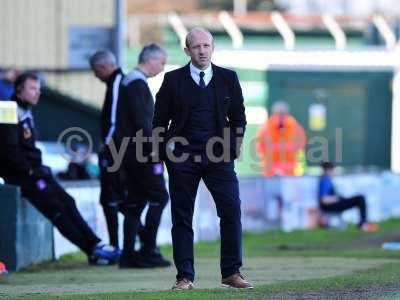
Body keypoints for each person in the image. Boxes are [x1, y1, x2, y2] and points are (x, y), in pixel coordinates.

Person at [153, 27, 253, 290]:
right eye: (196, 47)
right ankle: (184, 276)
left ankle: (231, 272)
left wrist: (232, 148)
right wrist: (165, 155)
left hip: (218, 158)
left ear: (213, 48)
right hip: (182, 159)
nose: (202, 51)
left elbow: (239, 119)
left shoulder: (228, 78)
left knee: (231, 210)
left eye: (206, 46)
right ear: (187, 50)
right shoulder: (173, 80)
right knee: (182, 217)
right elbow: (159, 122)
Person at [0, 72, 120, 264]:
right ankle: (93, 251)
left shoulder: (26, 110)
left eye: (38, 89)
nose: (37, 93)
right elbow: (9, 149)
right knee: (57, 210)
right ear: (19, 90)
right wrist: (30, 171)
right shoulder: (8, 109)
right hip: (24, 177)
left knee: (68, 202)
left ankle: (96, 245)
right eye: (32, 88)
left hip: (37, 171)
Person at [115, 43, 171, 268]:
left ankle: (129, 255)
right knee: (159, 197)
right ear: (150, 60)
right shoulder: (136, 83)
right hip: (141, 153)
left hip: (131, 152)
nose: (163, 67)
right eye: (162, 62)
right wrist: (156, 149)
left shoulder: (131, 82)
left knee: (136, 202)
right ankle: (149, 250)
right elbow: (142, 122)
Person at [90, 50, 124, 251]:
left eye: (95, 71)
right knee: (112, 199)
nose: (95, 75)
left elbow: (113, 120)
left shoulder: (118, 82)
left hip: (116, 152)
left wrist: (107, 147)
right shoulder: (114, 83)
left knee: (116, 198)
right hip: (116, 151)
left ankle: (122, 245)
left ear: (103, 67)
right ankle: (119, 244)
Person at [318, 162, 379, 232]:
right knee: (360, 198)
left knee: (359, 198)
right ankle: (363, 224)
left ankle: (363, 223)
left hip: (333, 204)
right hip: (330, 206)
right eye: (333, 170)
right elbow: (324, 200)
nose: (334, 172)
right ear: (328, 170)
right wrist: (338, 198)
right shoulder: (325, 181)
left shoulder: (327, 180)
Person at [256, 101, 306, 176]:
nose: (281, 116)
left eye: (283, 113)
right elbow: (260, 147)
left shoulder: (295, 128)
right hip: (272, 172)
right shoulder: (265, 129)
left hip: (290, 172)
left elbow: (300, 148)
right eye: (279, 114)